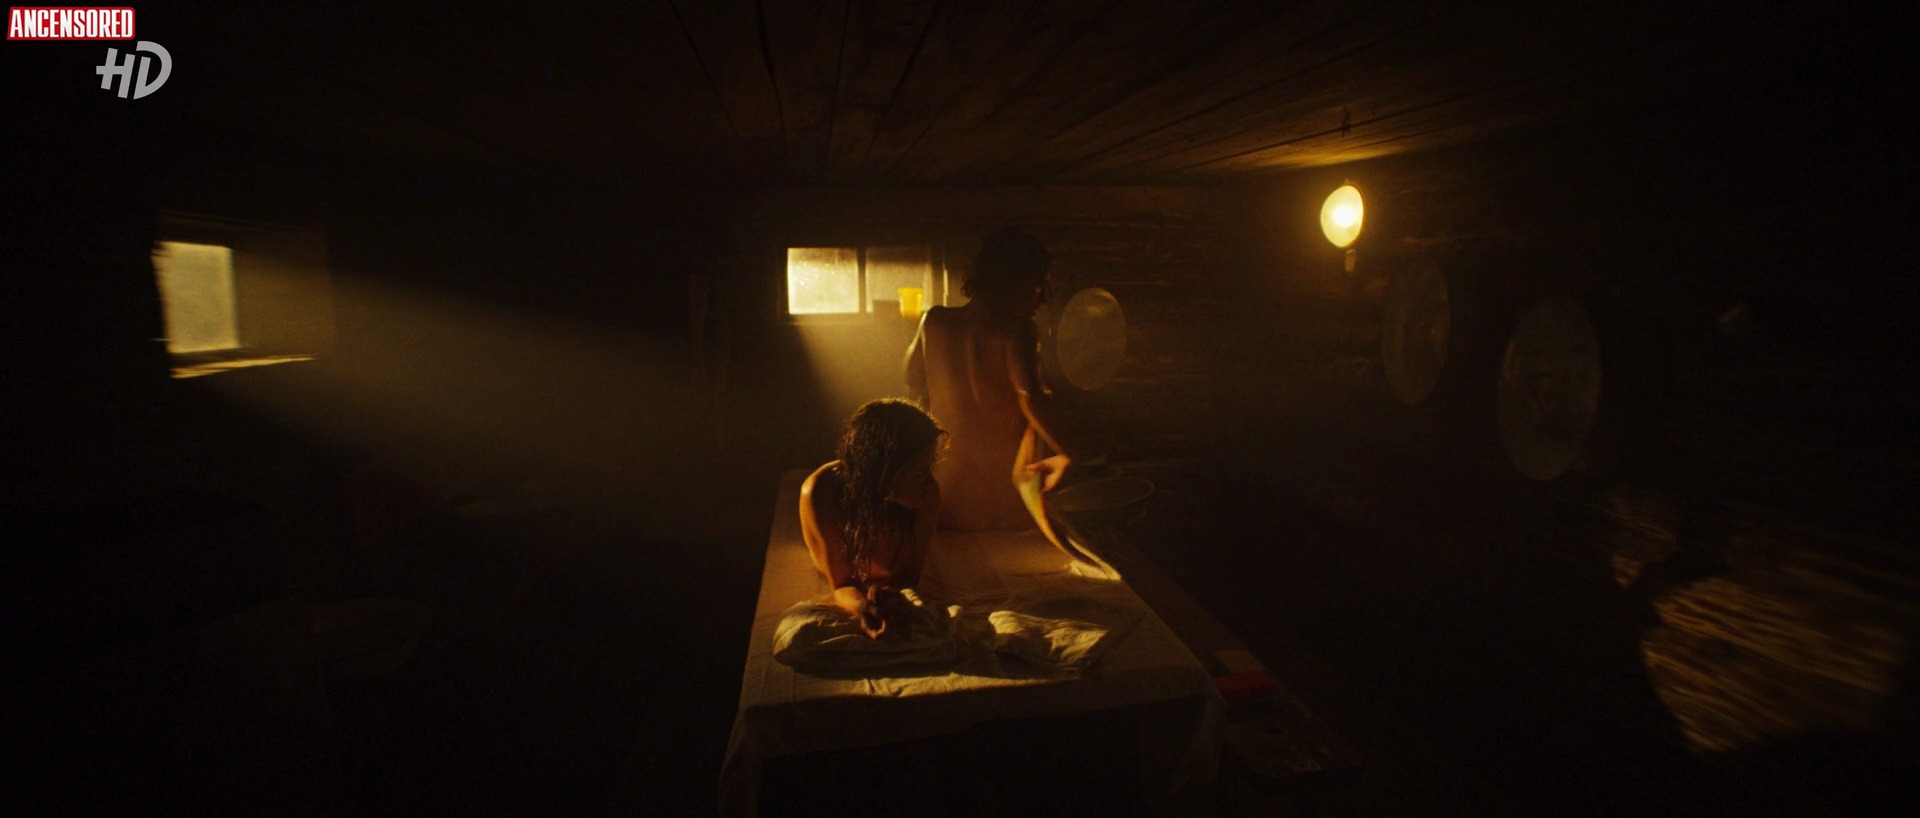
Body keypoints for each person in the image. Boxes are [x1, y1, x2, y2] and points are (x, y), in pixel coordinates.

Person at [905, 228, 1079, 531]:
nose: (1042, 297)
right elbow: (1031, 398)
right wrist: (1073, 454)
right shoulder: (1017, 330)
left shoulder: (934, 321)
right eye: (1037, 283)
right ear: (1011, 281)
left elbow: (912, 380)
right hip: (1001, 496)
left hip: (946, 492)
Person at [798, 399, 944, 638]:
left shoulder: (928, 496)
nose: (930, 481)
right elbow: (842, 584)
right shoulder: (820, 492)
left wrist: (888, 600)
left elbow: (906, 578)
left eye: (930, 468)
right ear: (885, 471)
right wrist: (862, 607)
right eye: (920, 472)